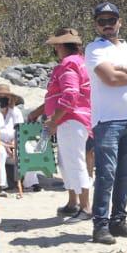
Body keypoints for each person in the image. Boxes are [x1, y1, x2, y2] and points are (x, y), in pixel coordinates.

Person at [85, 3, 127, 244]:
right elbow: (110, 78)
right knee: (106, 174)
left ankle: (118, 220)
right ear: (96, 24)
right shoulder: (94, 48)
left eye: (111, 20)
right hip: (106, 120)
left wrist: (125, 68)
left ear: (119, 22)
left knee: (126, 174)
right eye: (102, 21)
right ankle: (100, 224)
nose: (107, 25)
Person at [31, 27, 93, 220]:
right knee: (67, 163)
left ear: (59, 45)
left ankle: (85, 207)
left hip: (71, 120)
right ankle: (73, 202)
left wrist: (54, 118)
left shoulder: (68, 64)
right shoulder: (80, 62)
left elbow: (70, 94)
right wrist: (40, 111)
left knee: (74, 162)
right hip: (73, 119)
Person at [0, 81, 41, 193]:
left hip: (15, 143)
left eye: (5, 96)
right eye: (0, 96)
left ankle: (31, 182)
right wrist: (4, 145)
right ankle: (1, 185)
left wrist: (15, 144)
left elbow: (20, 131)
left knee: (30, 150)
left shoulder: (15, 112)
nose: (3, 98)